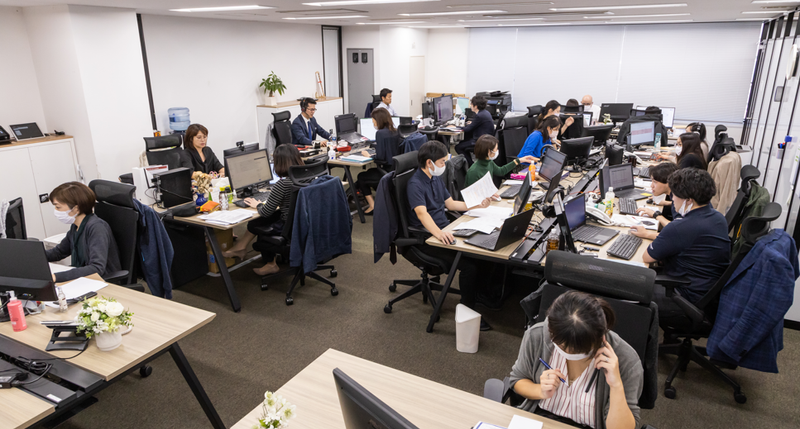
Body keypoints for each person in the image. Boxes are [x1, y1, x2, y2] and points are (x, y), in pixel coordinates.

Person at [509, 291, 643, 429]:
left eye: (577, 351)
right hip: (541, 419)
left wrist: (616, 386)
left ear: (599, 338)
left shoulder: (626, 360)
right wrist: (540, 391)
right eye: (561, 347)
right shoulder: (537, 336)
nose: (567, 353)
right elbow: (517, 379)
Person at [408, 141, 496, 330]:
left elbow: (451, 204)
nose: (444, 165)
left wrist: (478, 204)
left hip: (446, 229)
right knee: (469, 266)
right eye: (442, 162)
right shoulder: (415, 184)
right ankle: (467, 311)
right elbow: (422, 214)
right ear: (429, 163)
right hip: (428, 238)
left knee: (483, 252)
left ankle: (479, 296)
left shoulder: (434, 178)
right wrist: (439, 234)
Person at [642, 168, 730, 326]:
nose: (672, 199)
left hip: (685, 296)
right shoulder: (718, 217)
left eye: (674, 195)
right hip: (707, 295)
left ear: (689, 200)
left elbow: (647, 257)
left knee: (630, 290)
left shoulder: (681, 227)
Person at [222, 144, 304, 276]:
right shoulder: (306, 178)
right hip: (303, 225)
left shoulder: (282, 184)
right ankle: (242, 247)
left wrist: (258, 205)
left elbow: (265, 212)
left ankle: (270, 264)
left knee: (260, 222)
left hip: (288, 229)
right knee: (261, 220)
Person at [45, 182, 122, 283]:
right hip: (83, 279)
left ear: (76, 209)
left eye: (58, 207)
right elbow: (59, 252)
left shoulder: (97, 228)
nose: (56, 211)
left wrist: (56, 277)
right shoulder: (76, 226)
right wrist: (31, 256)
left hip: (102, 282)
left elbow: (97, 267)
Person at [354, 108, 401, 214]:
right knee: (369, 172)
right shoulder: (396, 131)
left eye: (374, 121)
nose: (373, 123)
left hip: (387, 172)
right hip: (396, 169)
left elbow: (380, 157)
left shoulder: (380, 133)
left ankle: (372, 206)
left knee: (361, 177)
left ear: (379, 120)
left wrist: (369, 155)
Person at [464, 135, 537, 187]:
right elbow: (472, 195)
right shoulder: (474, 172)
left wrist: (519, 160)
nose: (497, 151)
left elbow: (501, 171)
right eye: (496, 149)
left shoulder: (489, 162)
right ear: (489, 152)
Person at [631, 162, 679, 240]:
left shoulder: (680, 201)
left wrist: (647, 234)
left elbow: (676, 232)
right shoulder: (675, 195)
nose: (651, 186)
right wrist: (665, 203)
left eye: (655, 182)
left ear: (668, 182)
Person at [455, 95, 494, 163]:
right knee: (462, 143)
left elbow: (467, 129)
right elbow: (477, 124)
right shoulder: (485, 112)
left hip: (480, 142)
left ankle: (470, 164)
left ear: (475, 106)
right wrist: (472, 123)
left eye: (471, 104)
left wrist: (455, 127)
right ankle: (469, 163)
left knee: (458, 147)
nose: (470, 105)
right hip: (486, 139)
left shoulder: (479, 116)